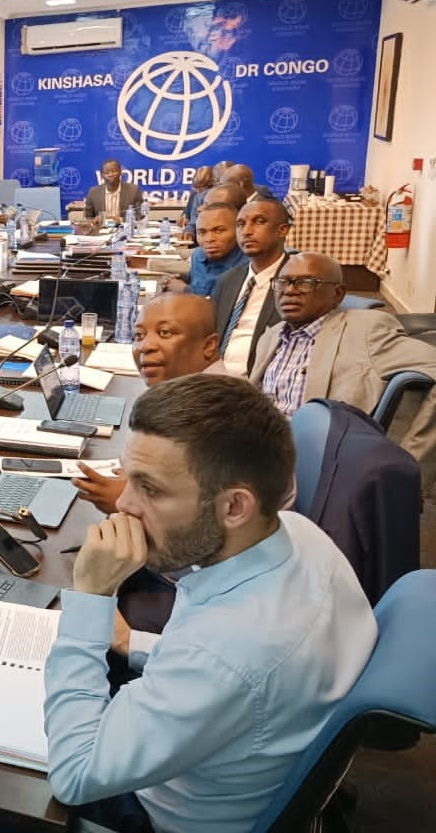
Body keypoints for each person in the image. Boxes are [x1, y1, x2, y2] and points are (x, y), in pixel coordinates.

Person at [44, 374, 376, 832]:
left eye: (150, 489)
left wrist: (90, 599)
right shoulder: (304, 536)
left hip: (150, 815)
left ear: (235, 507)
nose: (122, 503)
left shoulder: (224, 653)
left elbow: (74, 776)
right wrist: (136, 643)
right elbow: (232, 671)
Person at [250, 251, 436, 474]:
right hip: (256, 445)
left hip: (317, 462)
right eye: (283, 282)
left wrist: (411, 461)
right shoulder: (271, 336)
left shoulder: (366, 331)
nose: (289, 291)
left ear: (338, 294)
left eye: (306, 283)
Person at [71, 293, 223, 513]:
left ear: (208, 345)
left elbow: (211, 514)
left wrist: (134, 502)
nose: (145, 346)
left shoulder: (219, 413)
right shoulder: (182, 392)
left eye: (165, 333)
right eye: (139, 335)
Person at [211, 197, 292, 375]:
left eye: (259, 222)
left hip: (261, 381)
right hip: (214, 376)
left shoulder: (295, 282)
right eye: (240, 224)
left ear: (282, 230)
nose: (246, 231)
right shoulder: (227, 280)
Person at [162, 202, 245, 297]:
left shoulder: (250, 265)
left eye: (218, 230)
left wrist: (183, 289)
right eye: (202, 232)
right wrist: (178, 278)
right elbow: (198, 279)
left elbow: (219, 303)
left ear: (239, 230)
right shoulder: (198, 255)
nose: (209, 239)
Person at [178, 163, 214, 239]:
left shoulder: (214, 196)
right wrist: (182, 217)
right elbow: (186, 215)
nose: (198, 191)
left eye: (201, 188)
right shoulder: (194, 193)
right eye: (196, 188)